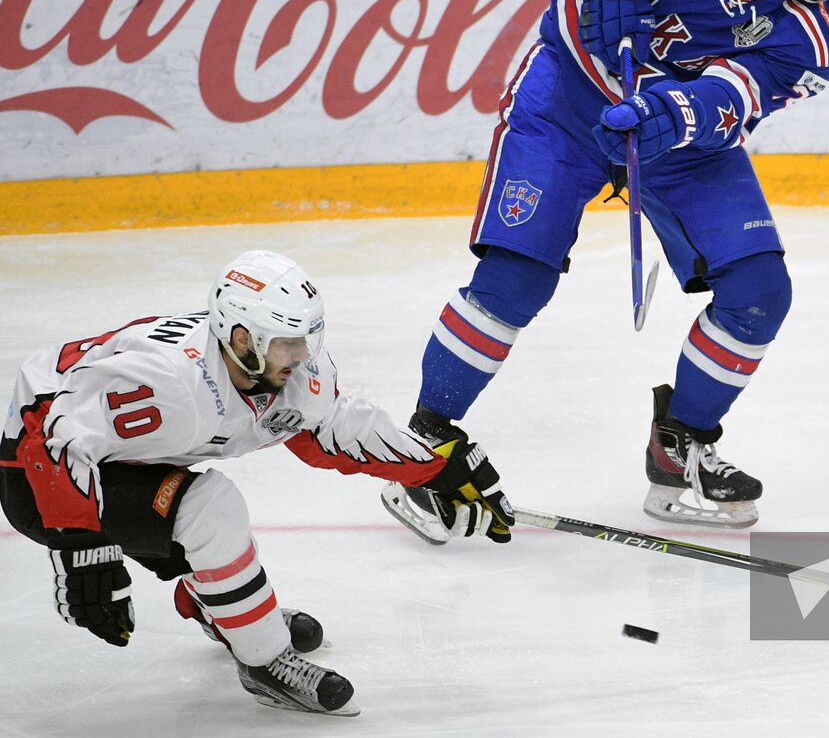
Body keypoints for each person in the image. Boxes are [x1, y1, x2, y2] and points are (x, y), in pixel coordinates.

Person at [380, 0, 829, 533]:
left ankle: (681, 446)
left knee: (761, 289)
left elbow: (735, 98)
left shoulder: (812, 43)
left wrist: (673, 112)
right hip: (571, 95)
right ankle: (423, 449)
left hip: (674, 135)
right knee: (514, 281)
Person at [0, 250, 513, 717]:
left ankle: (225, 608)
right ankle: (266, 662)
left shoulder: (283, 372)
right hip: (38, 474)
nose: (303, 356)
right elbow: (50, 432)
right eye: (289, 343)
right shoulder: (169, 382)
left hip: (128, 458)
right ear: (242, 338)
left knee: (196, 513)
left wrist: (435, 468)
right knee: (209, 507)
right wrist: (82, 548)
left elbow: (330, 430)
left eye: (307, 339)